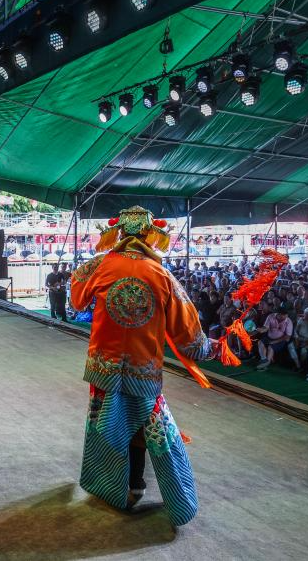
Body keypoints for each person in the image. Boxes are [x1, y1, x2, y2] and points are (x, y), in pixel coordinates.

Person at [69, 206, 217, 527]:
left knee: (105, 424)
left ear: (119, 233)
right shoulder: (162, 275)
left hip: (104, 367)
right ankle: (140, 485)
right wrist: (209, 348)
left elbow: (76, 300)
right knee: (145, 429)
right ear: (151, 236)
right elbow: (189, 335)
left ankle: (113, 487)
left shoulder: (99, 265)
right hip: (144, 370)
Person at [258, 306, 292, 370]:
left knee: (270, 347)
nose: (285, 317)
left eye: (286, 315)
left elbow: (287, 336)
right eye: (283, 315)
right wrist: (261, 330)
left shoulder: (288, 321)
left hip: (281, 340)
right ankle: (264, 360)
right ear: (278, 314)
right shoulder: (271, 316)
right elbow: (266, 328)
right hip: (269, 337)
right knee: (260, 342)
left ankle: (265, 364)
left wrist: (274, 342)